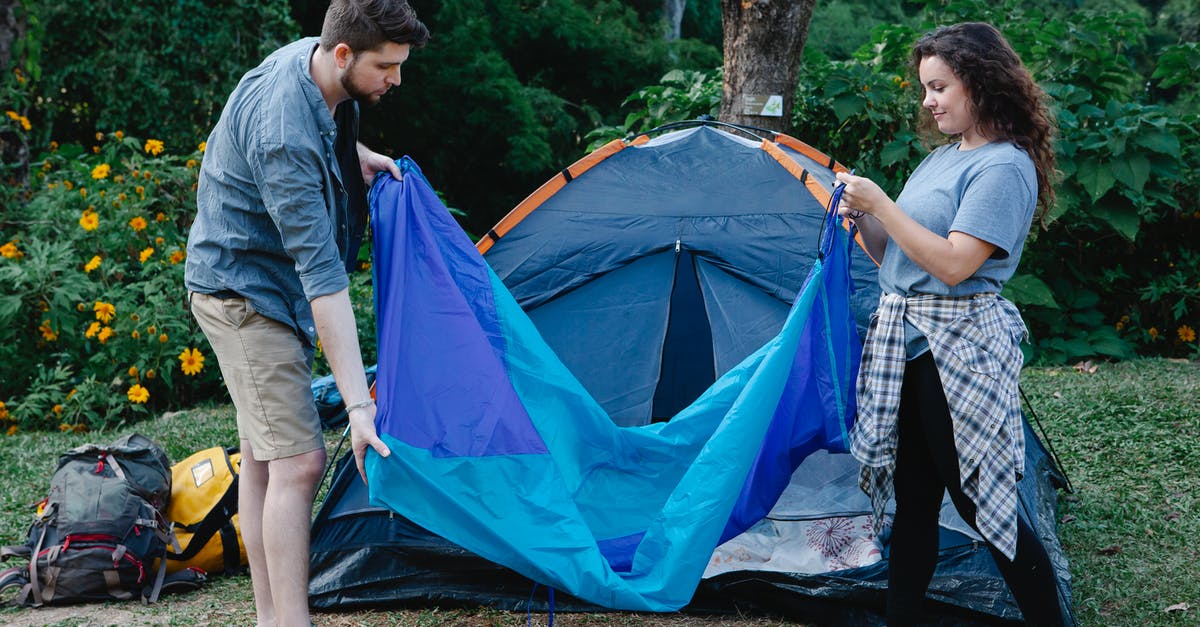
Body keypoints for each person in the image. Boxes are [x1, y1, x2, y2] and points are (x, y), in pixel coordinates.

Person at [183, 1, 429, 625]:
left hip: (265, 287)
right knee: (300, 462)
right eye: (387, 67)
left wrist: (359, 155)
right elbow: (324, 285)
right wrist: (359, 405)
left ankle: (274, 620)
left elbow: (325, 128)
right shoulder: (284, 132)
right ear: (344, 54)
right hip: (243, 296)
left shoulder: (313, 62)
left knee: (268, 459)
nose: (395, 81)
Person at [834, 22, 1065, 626]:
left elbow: (957, 266)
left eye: (939, 87)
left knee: (982, 503)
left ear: (980, 84)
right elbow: (900, 257)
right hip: (907, 344)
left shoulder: (1003, 168)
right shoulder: (942, 158)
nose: (928, 101)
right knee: (915, 501)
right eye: (925, 89)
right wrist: (861, 219)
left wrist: (883, 202)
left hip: (956, 349)